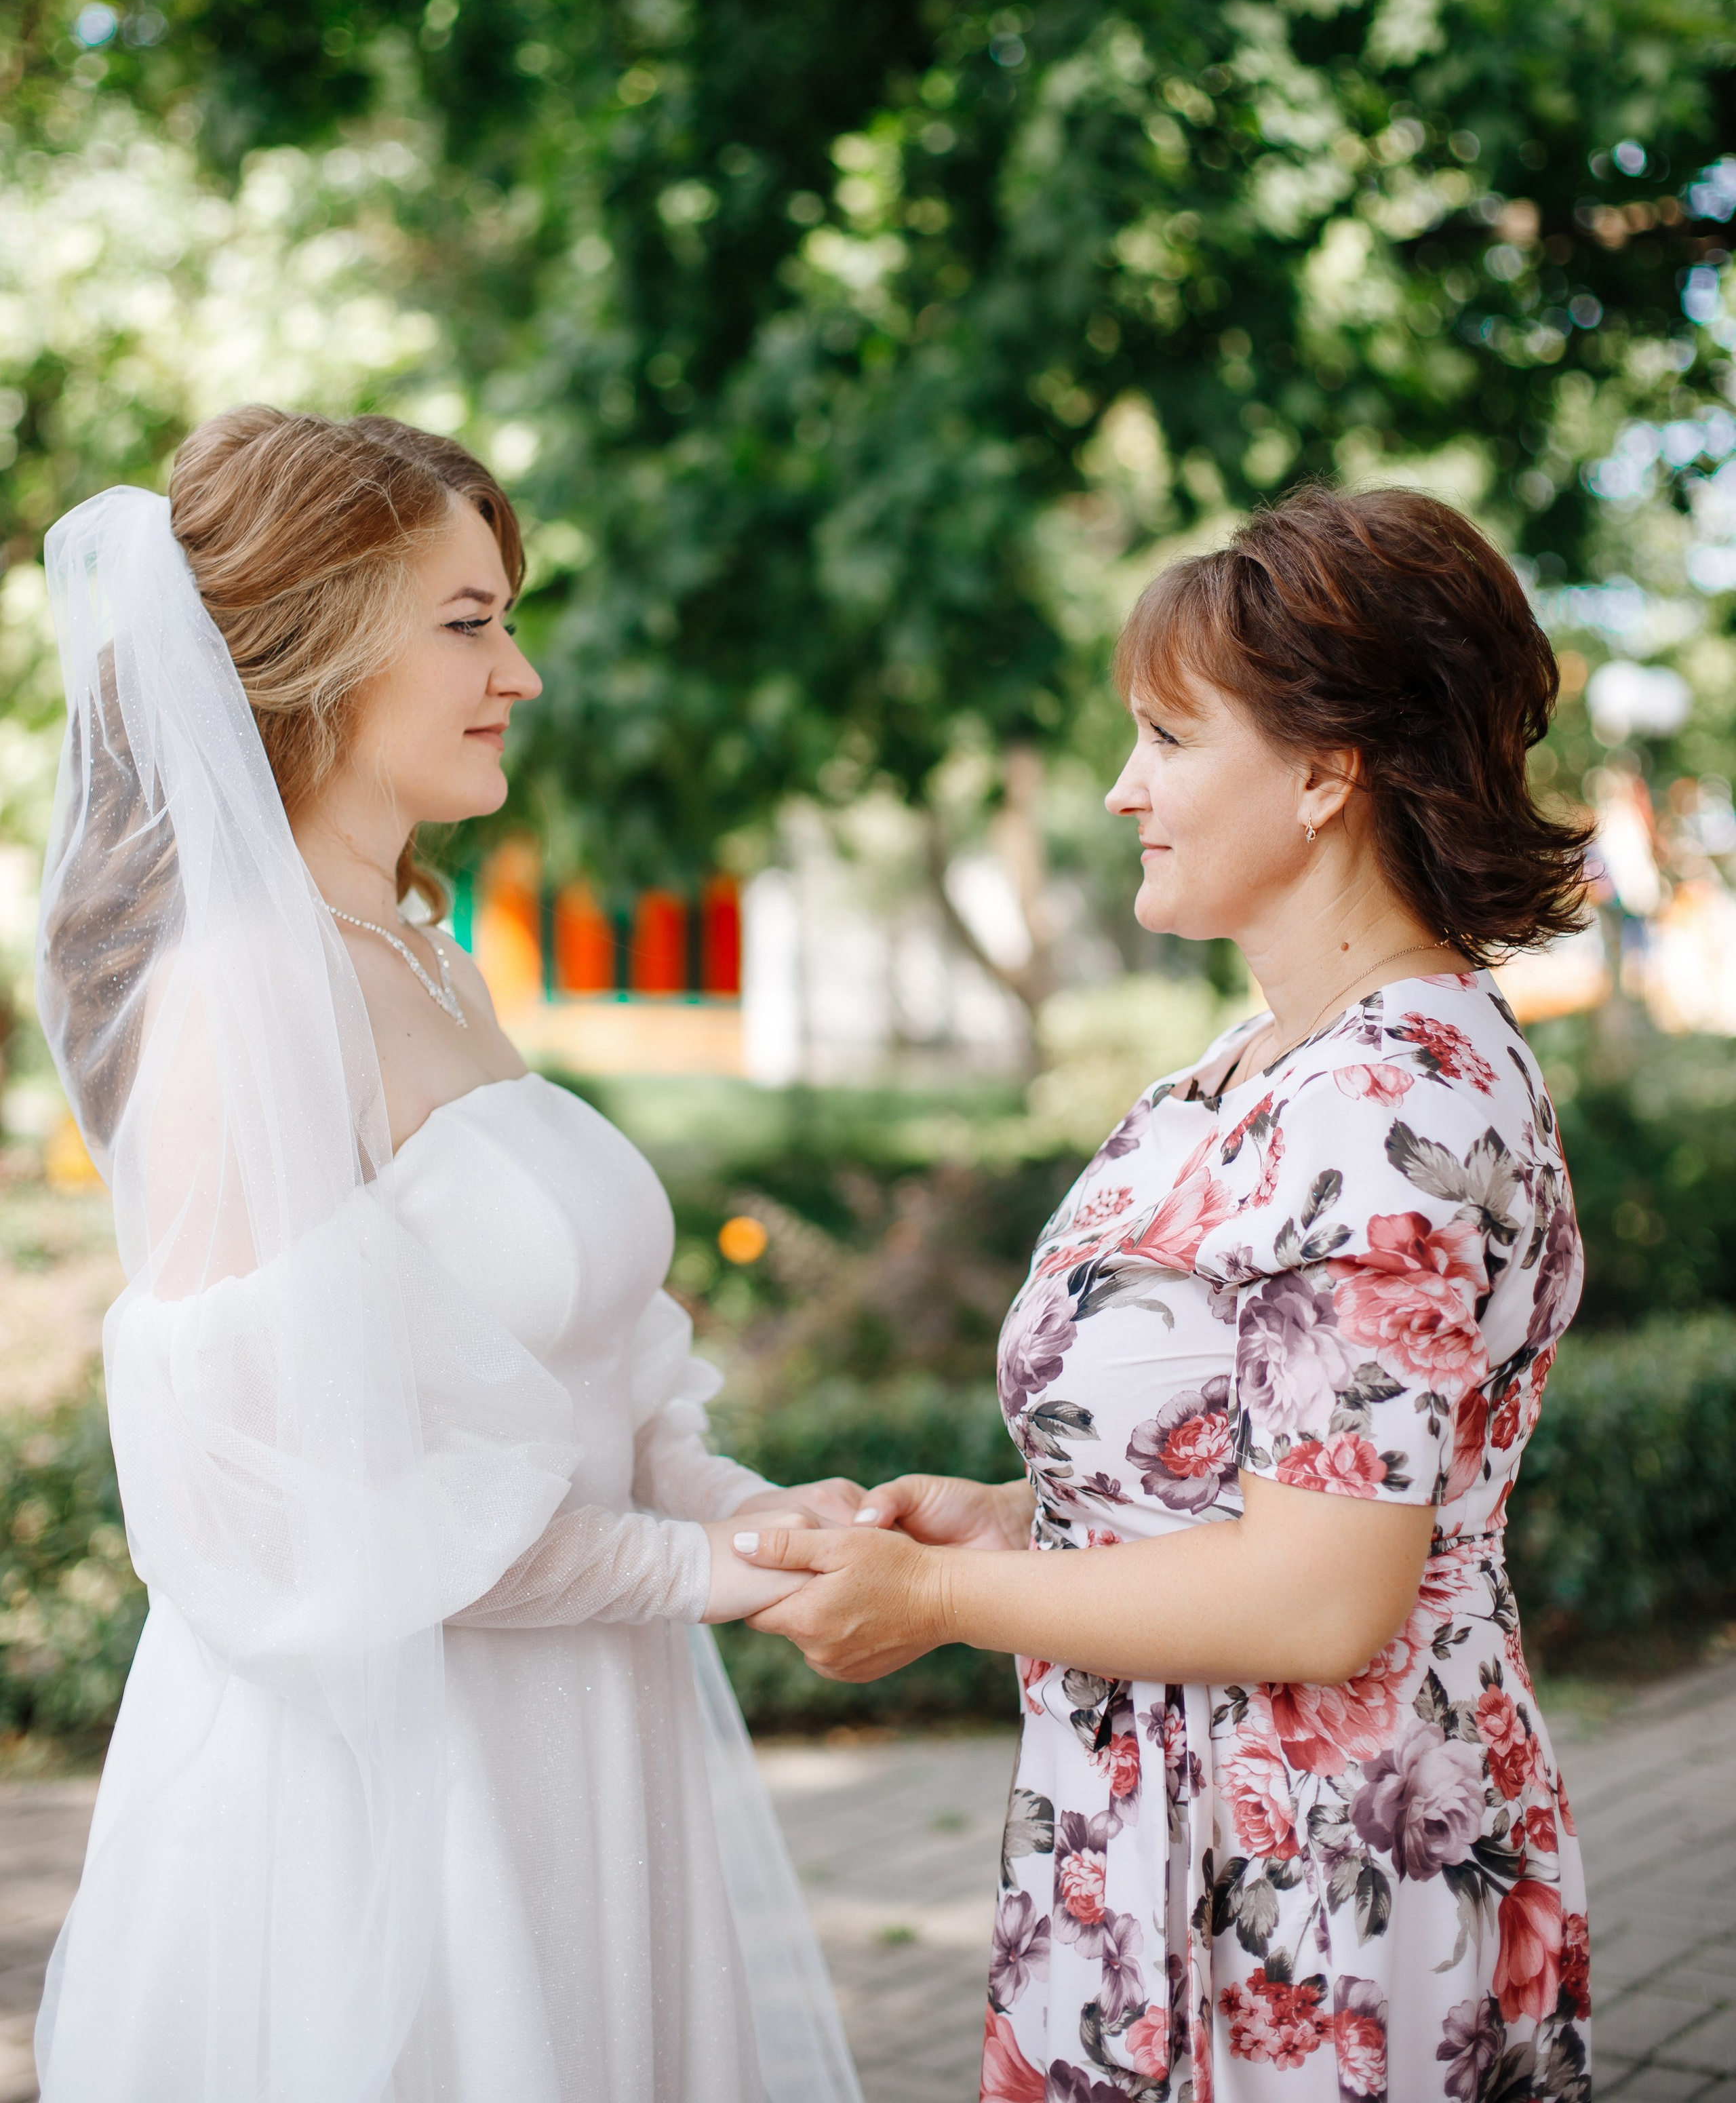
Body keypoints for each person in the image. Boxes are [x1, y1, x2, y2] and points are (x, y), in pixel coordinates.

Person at [32, 408, 866, 2103]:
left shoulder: (425, 958)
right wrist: (704, 1576)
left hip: (579, 1732)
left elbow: (586, 1385)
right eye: (470, 623)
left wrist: (758, 1515)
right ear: (317, 645)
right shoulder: (245, 992)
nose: (522, 675)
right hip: (392, 1795)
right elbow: (321, 1504)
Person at [738, 486, 1594, 2103]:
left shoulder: (1387, 1104)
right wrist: (1018, 1519)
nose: (1122, 788)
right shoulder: (1257, 1064)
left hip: (1311, 1877)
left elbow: (1317, 1595)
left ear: (1325, 769)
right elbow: (1260, 1468)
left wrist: (928, 1604)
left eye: (1166, 738)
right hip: (1163, 1831)